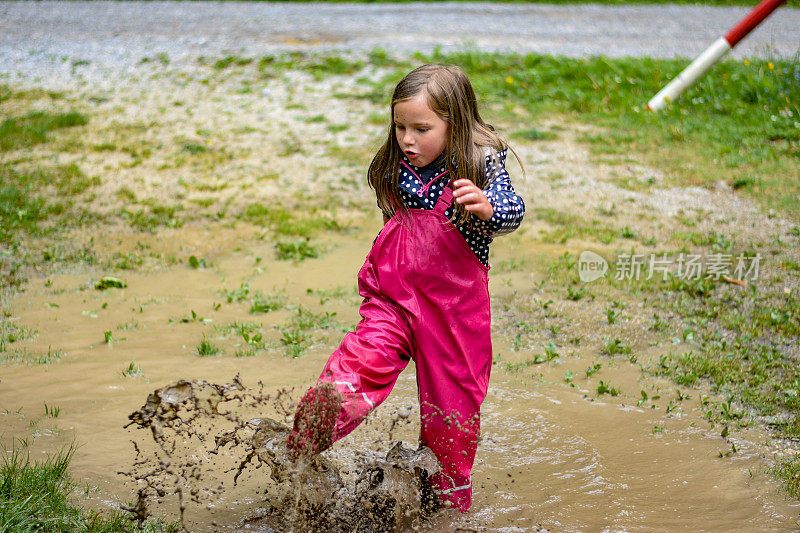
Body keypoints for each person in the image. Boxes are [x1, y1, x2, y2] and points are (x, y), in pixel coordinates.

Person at [286, 63, 525, 512]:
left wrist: (490, 207)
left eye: (422, 128)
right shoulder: (396, 162)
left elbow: (514, 209)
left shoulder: (480, 161)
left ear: (456, 124)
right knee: (357, 368)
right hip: (392, 299)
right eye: (400, 127)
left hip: (455, 312)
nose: (408, 139)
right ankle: (299, 447)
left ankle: (446, 508)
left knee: (451, 420)